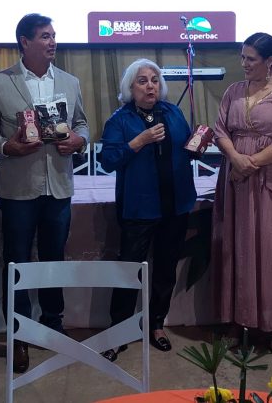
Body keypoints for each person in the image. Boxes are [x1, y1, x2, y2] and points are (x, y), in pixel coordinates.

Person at [0, 13, 89, 374]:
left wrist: (79, 140)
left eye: (54, 35)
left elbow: (82, 123)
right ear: (24, 42)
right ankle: (19, 335)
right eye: (45, 36)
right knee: (18, 261)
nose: (52, 42)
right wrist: (7, 146)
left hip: (58, 186)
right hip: (18, 188)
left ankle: (54, 327)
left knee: (54, 258)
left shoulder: (70, 82)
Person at [211, 32, 272, 354]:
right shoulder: (233, 91)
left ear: (270, 61)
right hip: (236, 181)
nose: (244, 64)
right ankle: (236, 322)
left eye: (251, 59)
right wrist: (236, 159)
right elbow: (220, 129)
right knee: (237, 248)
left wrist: (249, 162)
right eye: (242, 57)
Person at [97, 58, 197, 361]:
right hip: (140, 209)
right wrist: (138, 142)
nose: (150, 85)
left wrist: (197, 145)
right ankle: (119, 331)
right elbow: (108, 161)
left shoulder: (173, 112)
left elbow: (186, 145)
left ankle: (156, 325)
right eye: (142, 80)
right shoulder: (120, 120)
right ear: (130, 87)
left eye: (155, 79)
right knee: (129, 272)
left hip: (176, 206)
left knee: (166, 270)